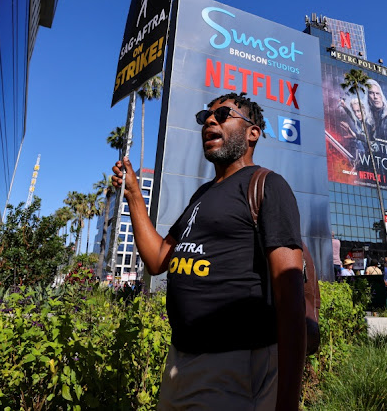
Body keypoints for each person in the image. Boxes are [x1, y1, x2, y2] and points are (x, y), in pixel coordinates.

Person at [112, 92, 305, 410]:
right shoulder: (202, 194)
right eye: (205, 117)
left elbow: (291, 300)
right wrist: (134, 194)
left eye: (223, 115)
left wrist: (286, 404)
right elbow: (158, 259)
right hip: (180, 362)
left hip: (235, 370)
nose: (210, 121)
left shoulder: (268, 185)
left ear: (252, 132)